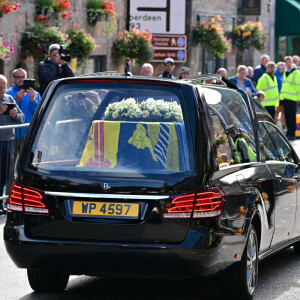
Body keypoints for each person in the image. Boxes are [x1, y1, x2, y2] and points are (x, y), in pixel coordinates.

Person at [0, 75, 24, 214]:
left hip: (8, 140)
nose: (2, 90)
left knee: (5, 173)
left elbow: (22, 118)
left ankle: (1, 203)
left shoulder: (9, 98)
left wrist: (15, 115)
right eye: (0, 87)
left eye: (4, 87)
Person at [6, 68, 41, 159]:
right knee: (9, 167)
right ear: (13, 79)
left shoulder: (35, 94)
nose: (21, 80)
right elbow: (5, 113)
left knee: (25, 165)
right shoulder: (7, 93)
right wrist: (16, 100)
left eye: (23, 77)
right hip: (11, 136)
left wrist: (33, 99)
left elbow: (38, 113)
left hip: (28, 136)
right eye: (18, 77)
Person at [280, 56, 300, 140]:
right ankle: (288, 133)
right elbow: (284, 85)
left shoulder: (296, 73)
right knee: (287, 116)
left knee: (292, 116)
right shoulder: (285, 72)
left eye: (289, 62)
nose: (288, 64)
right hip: (285, 97)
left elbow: (298, 86)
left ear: (292, 62)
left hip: (292, 98)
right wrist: (281, 96)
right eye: (286, 62)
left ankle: (292, 133)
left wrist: (298, 97)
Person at [274, 61, 286, 128]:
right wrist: (279, 67)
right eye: (281, 67)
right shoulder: (276, 74)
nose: (282, 68)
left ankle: (284, 126)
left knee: (283, 111)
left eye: (283, 67)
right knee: (277, 111)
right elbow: (275, 71)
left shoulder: (284, 75)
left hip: (283, 95)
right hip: (278, 95)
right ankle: (274, 125)